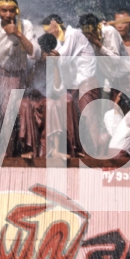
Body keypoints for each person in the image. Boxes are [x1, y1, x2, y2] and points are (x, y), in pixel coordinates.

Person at [0, 0, 40, 153]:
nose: (8, 15)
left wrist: (18, 34)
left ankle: (8, 153)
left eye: (12, 11)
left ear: (17, 11)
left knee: (8, 111)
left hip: (14, 74)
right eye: (4, 11)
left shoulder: (25, 26)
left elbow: (35, 53)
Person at [43, 14, 101, 157]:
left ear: (55, 25)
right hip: (75, 86)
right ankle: (82, 151)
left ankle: (96, 155)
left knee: (88, 117)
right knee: (77, 118)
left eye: (48, 30)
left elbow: (61, 60)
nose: (47, 34)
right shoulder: (61, 42)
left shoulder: (72, 35)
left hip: (87, 83)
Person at [82, 12, 130, 101]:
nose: (90, 37)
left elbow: (116, 59)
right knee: (113, 114)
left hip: (129, 78)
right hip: (114, 82)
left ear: (97, 28)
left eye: (92, 33)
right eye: (87, 34)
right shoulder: (86, 38)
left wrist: (98, 44)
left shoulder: (110, 31)